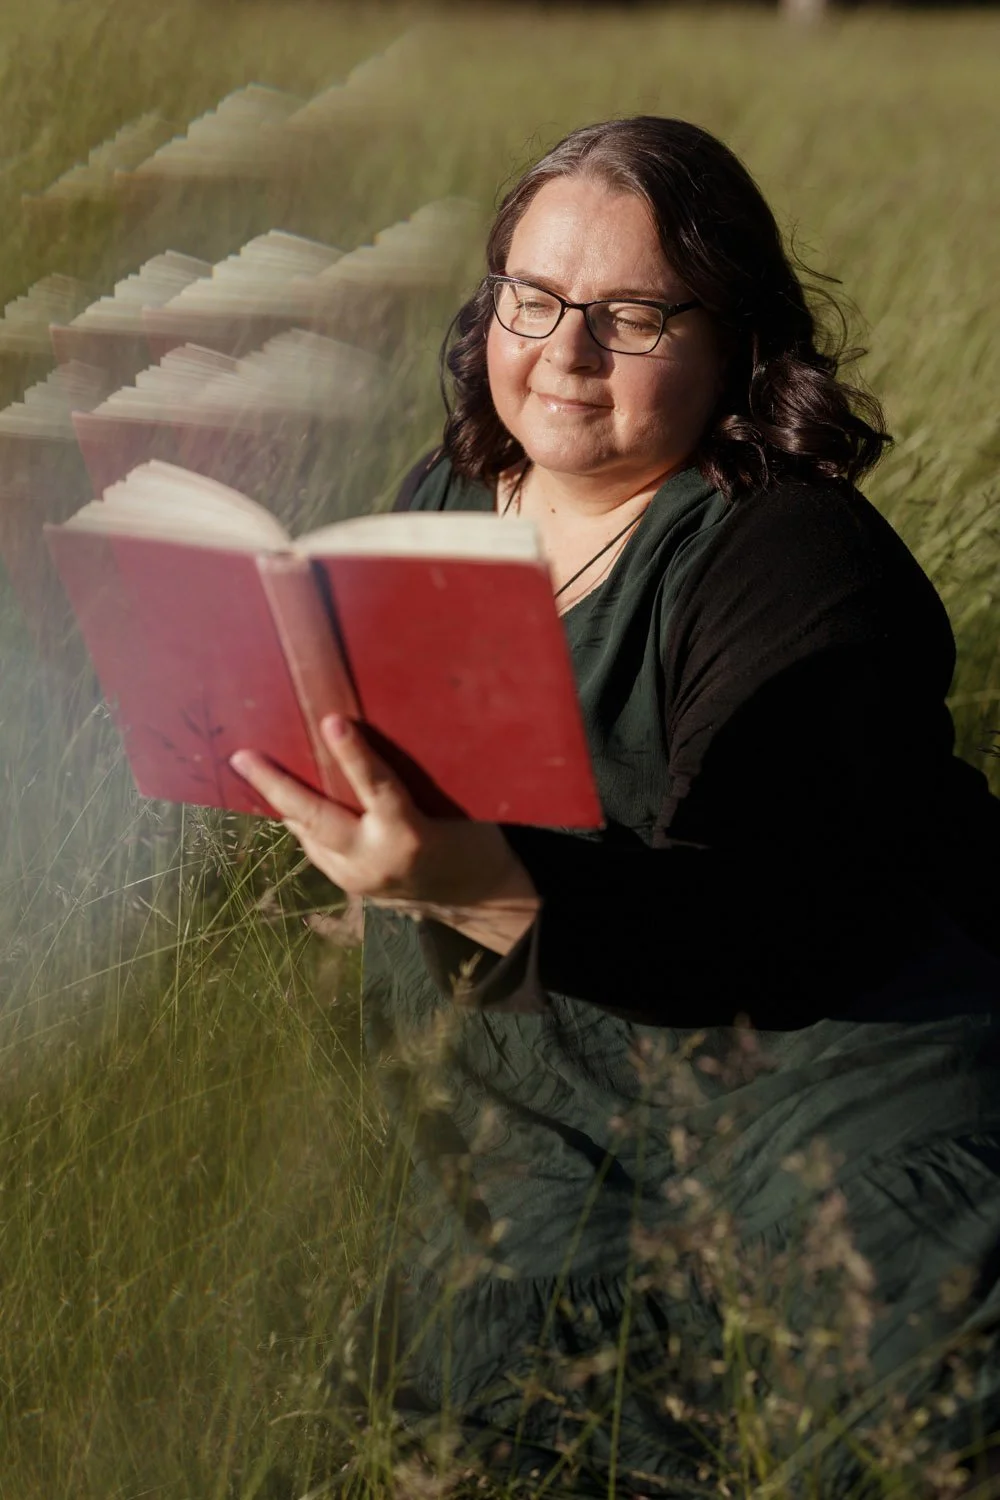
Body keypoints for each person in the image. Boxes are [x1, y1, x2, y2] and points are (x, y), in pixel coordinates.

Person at [230, 118, 1000, 1497]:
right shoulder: (452, 499)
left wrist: (460, 877)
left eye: (632, 316)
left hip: (821, 1113)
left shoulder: (797, 560)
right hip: (553, 1112)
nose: (565, 352)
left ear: (738, 345)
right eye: (534, 299)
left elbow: (757, 926)